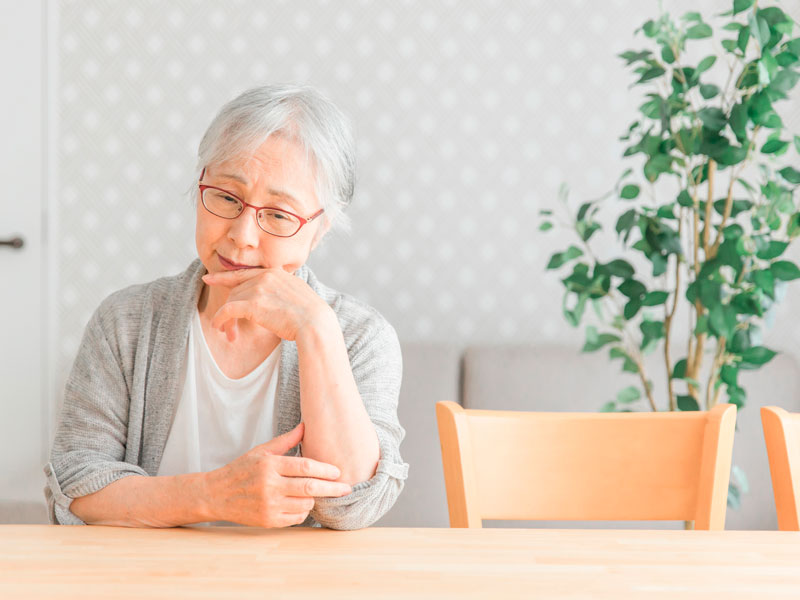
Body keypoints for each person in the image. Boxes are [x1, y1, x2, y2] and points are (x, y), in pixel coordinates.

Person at [43, 83, 408, 530]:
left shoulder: (361, 337)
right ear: (201, 183)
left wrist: (317, 331)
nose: (242, 235)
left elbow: (352, 507)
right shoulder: (125, 322)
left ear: (320, 230)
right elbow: (76, 486)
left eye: (277, 215)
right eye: (227, 197)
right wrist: (213, 497)